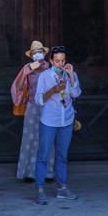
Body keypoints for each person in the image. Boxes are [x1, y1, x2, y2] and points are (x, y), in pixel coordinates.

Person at [33, 45, 82, 204]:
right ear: (51, 61)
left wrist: (71, 76)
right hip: (49, 120)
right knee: (43, 156)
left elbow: (76, 93)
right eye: (57, 61)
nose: (60, 64)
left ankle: (62, 188)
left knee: (62, 156)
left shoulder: (70, 74)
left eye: (63, 60)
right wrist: (53, 90)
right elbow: (38, 100)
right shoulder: (45, 76)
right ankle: (40, 189)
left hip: (66, 120)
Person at [11, 40, 54, 182]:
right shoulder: (27, 68)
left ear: (44, 53)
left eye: (39, 52)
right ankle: (29, 172)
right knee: (30, 137)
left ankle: (48, 172)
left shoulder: (50, 67)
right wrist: (25, 74)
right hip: (32, 106)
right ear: (31, 55)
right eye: (34, 53)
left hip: (48, 106)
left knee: (48, 138)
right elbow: (17, 88)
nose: (37, 54)